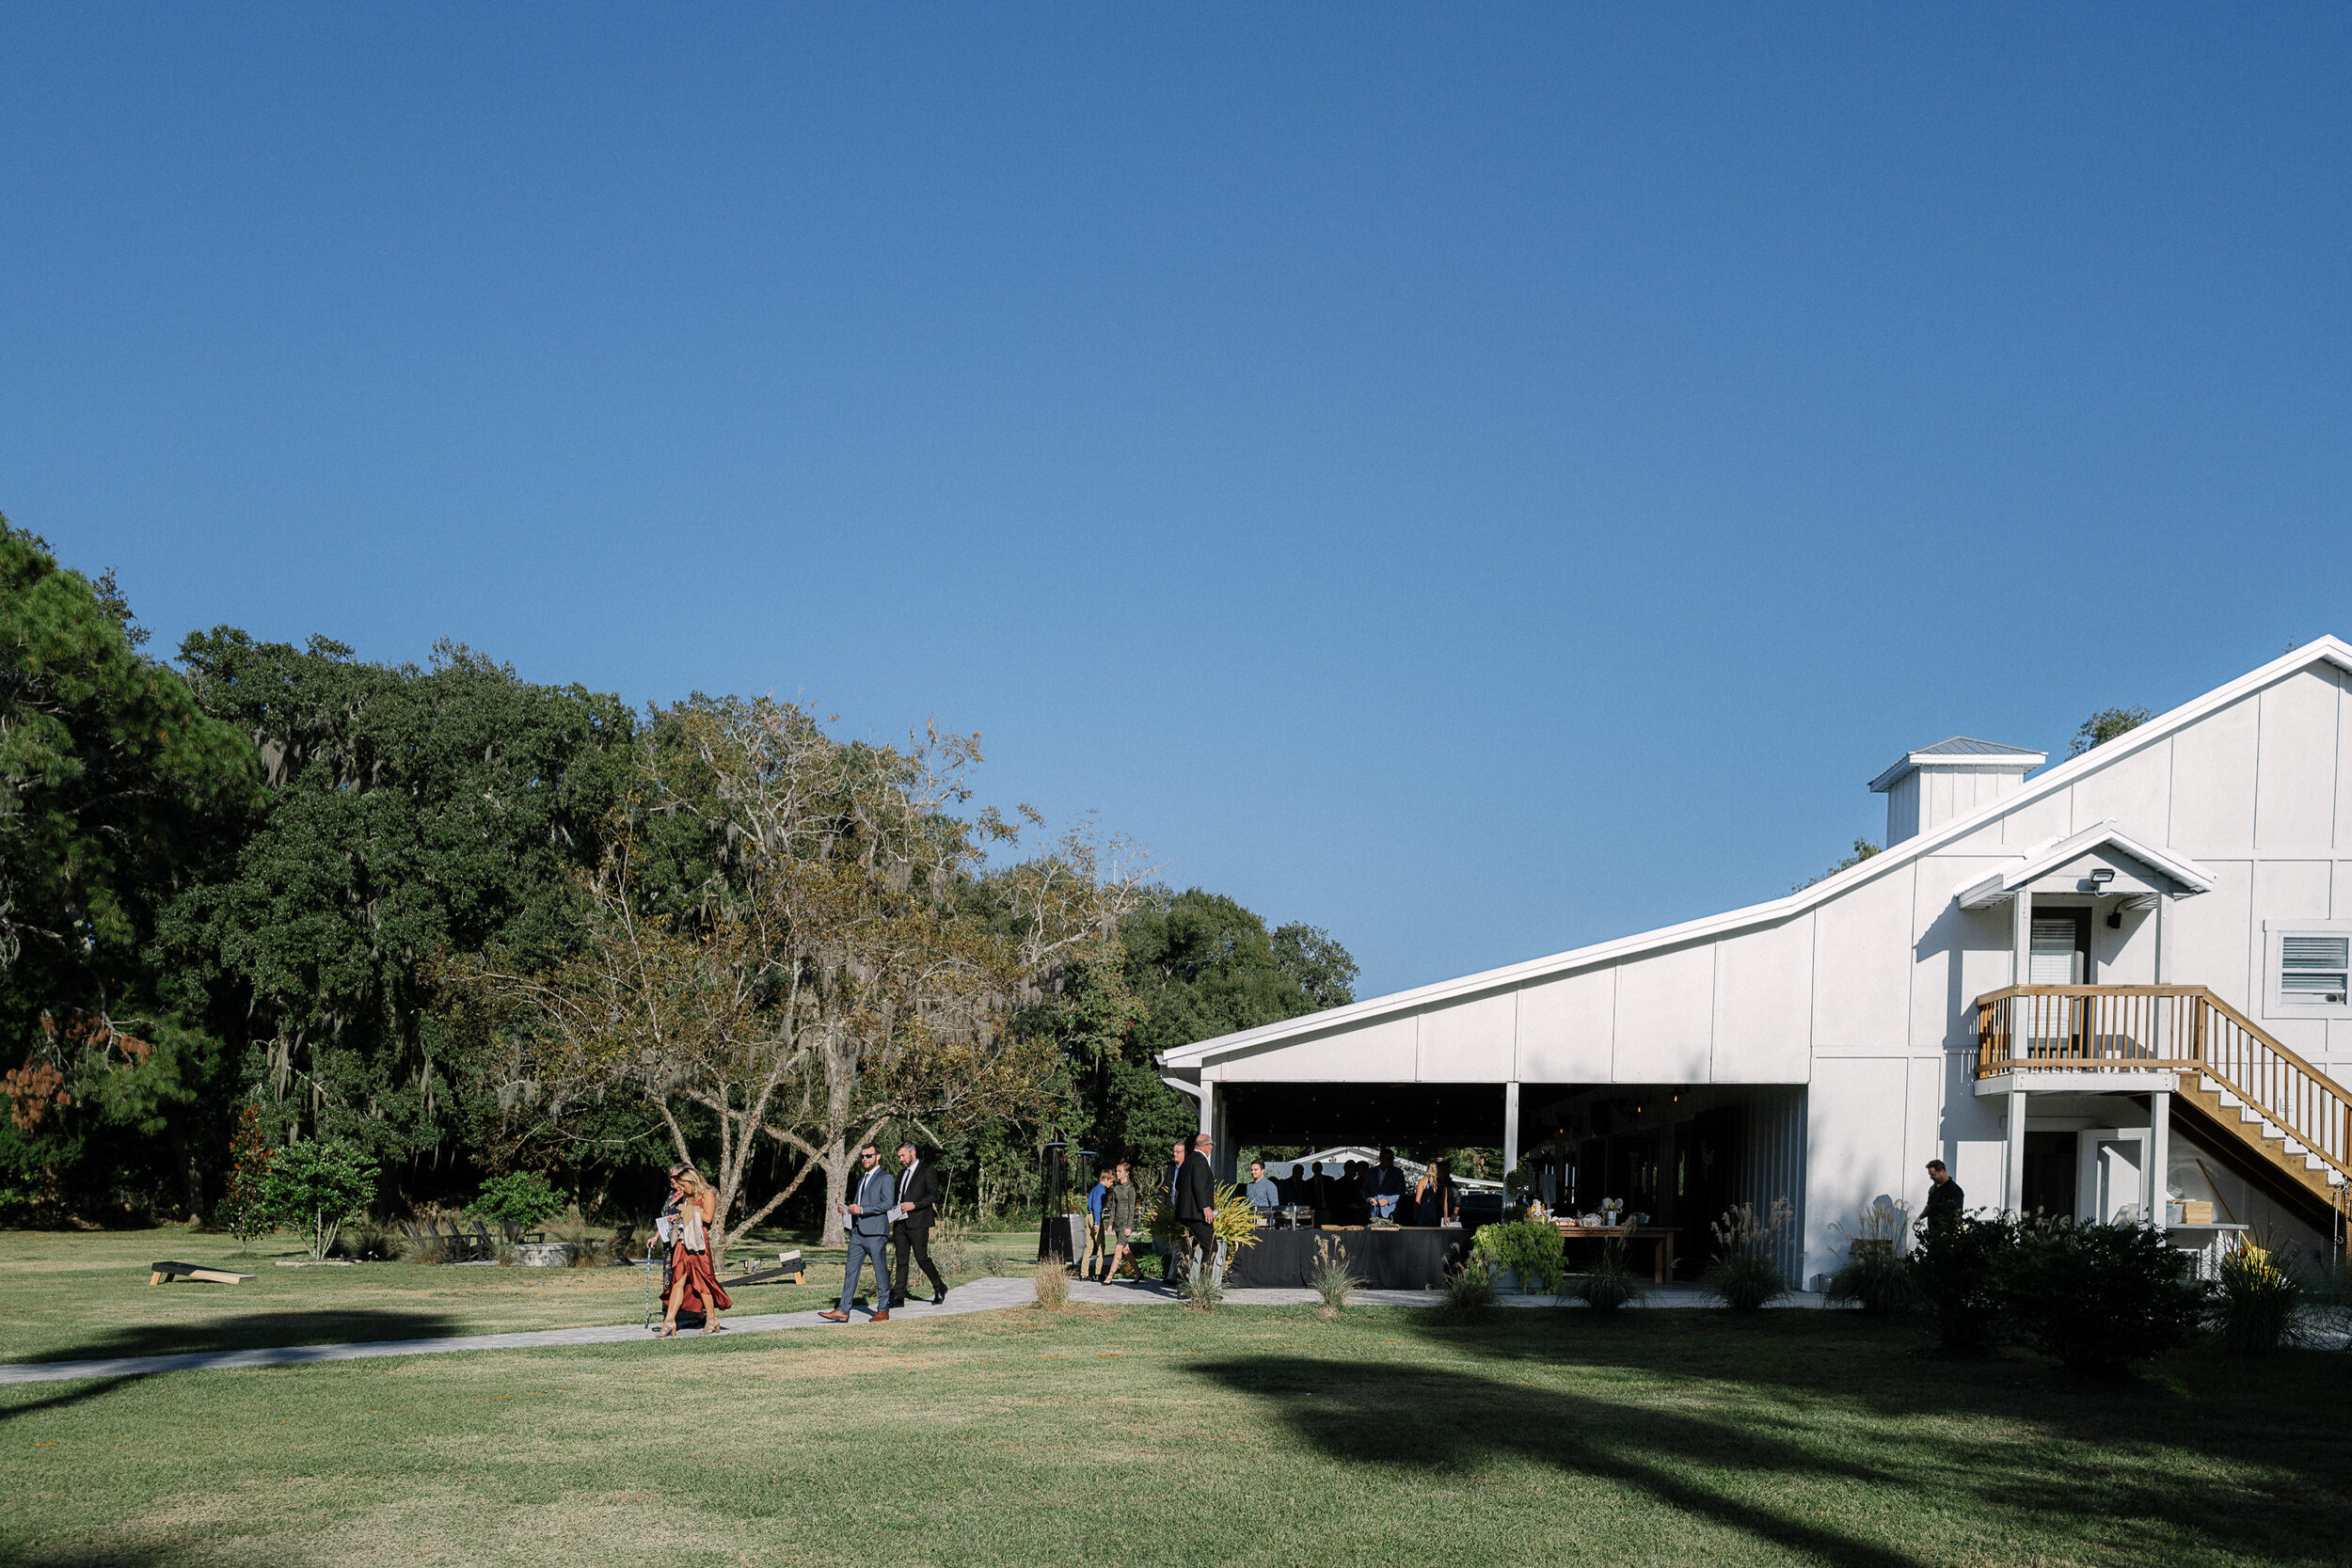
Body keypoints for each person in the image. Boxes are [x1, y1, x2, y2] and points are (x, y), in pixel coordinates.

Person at [820, 1142, 898, 1323]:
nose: (865, 1159)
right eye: (863, 1156)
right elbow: (858, 1205)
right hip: (857, 1234)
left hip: (875, 1234)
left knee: (880, 1272)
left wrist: (862, 1209)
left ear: (878, 1157)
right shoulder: (862, 1179)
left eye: (868, 1156)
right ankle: (843, 1309)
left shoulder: (885, 1178)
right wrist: (848, 1210)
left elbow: (887, 1204)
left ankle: (883, 1310)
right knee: (850, 1271)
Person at [660, 1171, 730, 1337]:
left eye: (684, 1185)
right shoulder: (688, 1196)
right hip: (684, 1241)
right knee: (678, 1279)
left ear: (693, 1181)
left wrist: (685, 1210)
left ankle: (711, 1318)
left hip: (698, 1242)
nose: (682, 1189)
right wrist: (678, 1216)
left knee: (702, 1281)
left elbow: (707, 1217)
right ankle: (670, 1320)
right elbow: (687, 1214)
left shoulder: (707, 1194)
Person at [891, 1142, 947, 1307]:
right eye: (899, 1156)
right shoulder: (901, 1174)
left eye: (903, 1155)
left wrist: (914, 1205)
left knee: (921, 1258)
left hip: (918, 1222)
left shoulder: (927, 1171)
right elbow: (898, 1197)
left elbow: (933, 1195)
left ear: (912, 1153)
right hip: (900, 1223)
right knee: (901, 1261)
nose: (900, 1159)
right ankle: (898, 1297)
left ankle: (939, 1287)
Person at [1174, 1132, 1218, 1281]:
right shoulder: (1200, 1161)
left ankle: (1182, 1285)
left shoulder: (1187, 1161)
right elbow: (1198, 1185)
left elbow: (1179, 1184)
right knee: (1211, 1247)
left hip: (1185, 1213)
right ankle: (1204, 1286)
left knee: (1188, 1249)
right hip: (1198, 1214)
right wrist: (1205, 1207)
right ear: (1208, 1146)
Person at [1101, 1162, 1138, 1281]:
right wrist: (1110, 1223)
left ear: (1127, 1173)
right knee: (1126, 1250)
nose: (1117, 1173)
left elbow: (1132, 1209)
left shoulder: (1130, 1189)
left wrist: (1129, 1226)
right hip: (1117, 1224)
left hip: (1125, 1225)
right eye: (1116, 1171)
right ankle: (1138, 1273)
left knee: (1118, 1250)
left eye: (1119, 1171)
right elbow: (1113, 1207)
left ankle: (1110, 1276)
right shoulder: (1116, 1188)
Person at [1082, 1168, 1115, 1280]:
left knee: (1088, 1246)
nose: (1111, 1184)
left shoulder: (1094, 1189)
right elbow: (1097, 1206)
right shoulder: (1101, 1190)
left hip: (1088, 1216)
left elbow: (1090, 1203)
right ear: (1105, 1179)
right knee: (1101, 1245)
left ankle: (1084, 1273)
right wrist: (1097, 1222)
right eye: (1111, 1181)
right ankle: (1098, 1273)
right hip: (1095, 1217)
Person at [1365, 1148, 1406, 1222]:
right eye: (1388, 1159)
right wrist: (1369, 1199)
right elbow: (1364, 1189)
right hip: (1374, 1212)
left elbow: (1401, 1191)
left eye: (1392, 1159)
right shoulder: (1371, 1172)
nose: (1390, 1161)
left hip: (1390, 1211)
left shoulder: (1398, 1173)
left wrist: (1388, 1200)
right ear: (1381, 1159)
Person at [1414, 1159, 1458, 1227]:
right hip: (1436, 1214)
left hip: (1424, 1213)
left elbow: (1417, 1201)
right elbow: (1445, 1202)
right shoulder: (1442, 1184)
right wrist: (1445, 1217)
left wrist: (1415, 1214)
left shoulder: (1423, 1181)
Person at [1923, 1159, 1963, 1226]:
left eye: (1933, 1175)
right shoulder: (1933, 1188)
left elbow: (1958, 1213)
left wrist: (1952, 1231)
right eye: (1930, 1175)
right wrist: (1919, 1218)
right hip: (1932, 1231)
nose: (1931, 1178)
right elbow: (1929, 1206)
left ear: (1942, 1171)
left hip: (1946, 1231)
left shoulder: (1955, 1190)